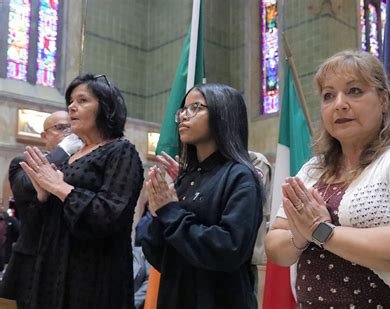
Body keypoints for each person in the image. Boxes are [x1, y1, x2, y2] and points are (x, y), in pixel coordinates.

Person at [264, 50, 390, 308]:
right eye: (328, 96)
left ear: (384, 99)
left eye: (354, 91)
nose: (339, 104)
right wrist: (300, 236)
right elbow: (276, 246)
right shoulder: (313, 170)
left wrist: (320, 231)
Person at [0, 73, 144, 308]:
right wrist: (45, 195)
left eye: (82, 100)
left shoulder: (120, 151)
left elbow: (109, 214)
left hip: (93, 274)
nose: (72, 107)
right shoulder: (70, 156)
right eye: (70, 102)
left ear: (106, 107)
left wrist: (60, 187)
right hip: (53, 268)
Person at [139, 83, 263, 308]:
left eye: (195, 107)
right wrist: (157, 213)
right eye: (183, 110)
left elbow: (229, 249)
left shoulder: (240, 176)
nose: (184, 116)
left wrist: (170, 211)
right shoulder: (186, 177)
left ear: (222, 114)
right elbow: (160, 256)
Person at [8, 110, 82, 222]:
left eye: (72, 128)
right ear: (44, 136)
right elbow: (25, 186)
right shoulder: (22, 161)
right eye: (61, 127)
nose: (69, 133)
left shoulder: (81, 162)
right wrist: (63, 149)